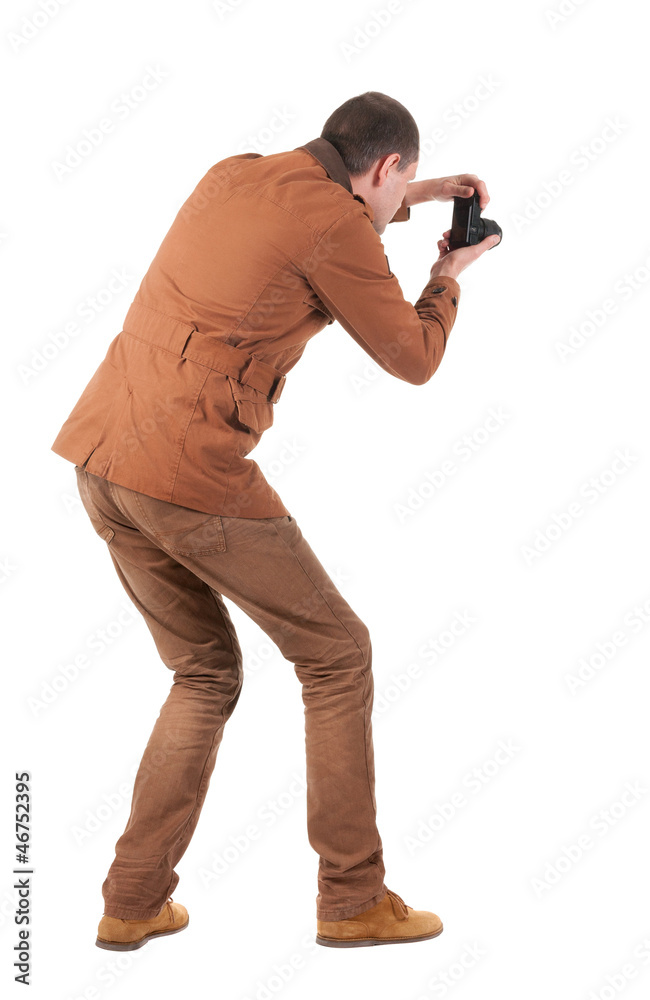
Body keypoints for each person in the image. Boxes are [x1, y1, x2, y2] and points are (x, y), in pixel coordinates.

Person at [50, 90, 500, 952]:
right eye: (397, 184)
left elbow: (324, 213)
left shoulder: (238, 173)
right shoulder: (338, 228)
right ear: (383, 168)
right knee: (337, 654)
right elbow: (412, 359)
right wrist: (446, 281)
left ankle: (133, 898)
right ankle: (352, 898)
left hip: (103, 455)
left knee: (204, 674)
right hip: (186, 472)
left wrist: (429, 189)